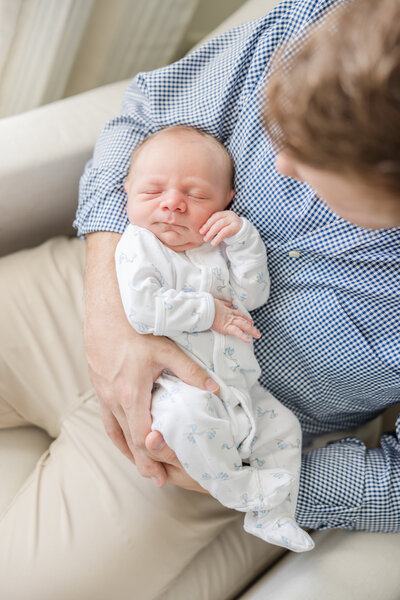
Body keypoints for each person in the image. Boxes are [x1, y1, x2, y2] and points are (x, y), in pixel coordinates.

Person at [0, 0, 399, 598]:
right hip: (91, 290)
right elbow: (143, 122)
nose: (279, 161)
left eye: (319, 164)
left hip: (215, 427)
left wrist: (257, 479)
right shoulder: (328, 23)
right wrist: (111, 318)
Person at [115, 125, 314, 552]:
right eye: (152, 192)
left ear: (227, 201)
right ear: (127, 191)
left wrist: (243, 240)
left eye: (198, 196)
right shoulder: (139, 244)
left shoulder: (218, 244)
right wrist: (212, 313)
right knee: (191, 419)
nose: (172, 204)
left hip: (242, 386)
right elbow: (144, 309)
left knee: (283, 426)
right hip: (174, 385)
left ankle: (273, 517)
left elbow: (253, 295)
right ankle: (246, 492)